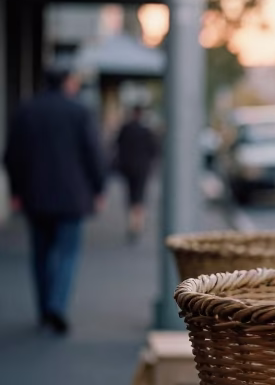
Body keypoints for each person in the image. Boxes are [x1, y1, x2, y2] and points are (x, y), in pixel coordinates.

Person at [3, 68, 106, 334]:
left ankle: (43, 307)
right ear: (67, 83)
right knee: (67, 254)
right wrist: (98, 188)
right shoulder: (79, 112)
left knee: (40, 254)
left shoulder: (27, 111)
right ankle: (57, 305)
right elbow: (93, 153)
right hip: (72, 197)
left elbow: (12, 155)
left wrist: (15, 191)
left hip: (34, 196)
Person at [114, 105, 159, 241]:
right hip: (142, 168)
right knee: (140, 196)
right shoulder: (146, 131)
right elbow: (154, 150)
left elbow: (117, 146)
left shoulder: (125, 129)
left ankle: (132, 223)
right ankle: (137, 224)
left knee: (131, 195)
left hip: (128, 167)